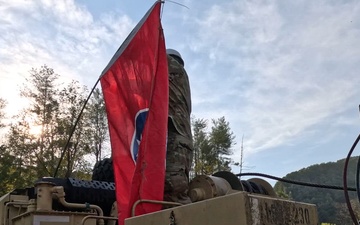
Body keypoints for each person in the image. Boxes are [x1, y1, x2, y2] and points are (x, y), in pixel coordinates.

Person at [164, 49, 193, 204]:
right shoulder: (181, 81)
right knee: (178, 189)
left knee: (172, 194)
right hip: (182, 141)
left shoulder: (173, 68)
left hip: (174, 140)